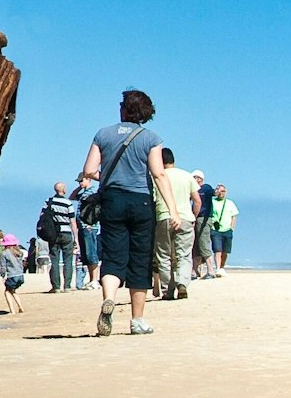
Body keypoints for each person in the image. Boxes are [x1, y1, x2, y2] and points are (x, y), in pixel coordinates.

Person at [78, 88, 181, 336]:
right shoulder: (151, 138)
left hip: (112, 199)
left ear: (123, 109)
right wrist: (173, 209)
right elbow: (158, 173)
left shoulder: (103, 134)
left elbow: (89, 170)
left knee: (113, 255)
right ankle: (137, 320)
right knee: (139, 258)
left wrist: (109, 178)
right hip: (141, 201)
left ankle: (109, 299)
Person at [152, 146, 201, 300]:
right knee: (184, 255)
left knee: (164, 255)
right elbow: (197, 201)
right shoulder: (186, 176)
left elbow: (152, 200)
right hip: (185, 217)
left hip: (163, 217)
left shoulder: (156, 177)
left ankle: (167, 290)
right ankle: (182, 283)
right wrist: (193, 216)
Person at [40, 182, 80, 291]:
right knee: (68, 260)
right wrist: (76, 237)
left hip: (53, 234)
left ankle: (56, 286)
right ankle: (67, 286)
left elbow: (42, 217)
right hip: (66, 233)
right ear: (64, 190)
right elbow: (73, 222)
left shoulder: (49, 201)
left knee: (54, 260)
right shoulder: (68, 203)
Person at [192, 170, 217, 280]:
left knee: (203, 243)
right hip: (194, 218)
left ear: (199, 178)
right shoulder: (193, 189)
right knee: (195, 244)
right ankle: (195, 271)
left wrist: (219, 190)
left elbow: (214, 193)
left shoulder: (206, 188)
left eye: (194, 177)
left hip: (203, 218)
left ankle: (211, 270)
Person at [211, 184, 239, 273]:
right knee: (217, 250)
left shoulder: (230, 203)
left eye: (223, 191)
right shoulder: (212, 201)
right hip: (215, 229)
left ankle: (222, 267)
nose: (221, 193)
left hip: (227, 230)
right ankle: (218, 268)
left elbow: (234, 216)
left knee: (225, 251)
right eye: (220, 191)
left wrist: (232, 228)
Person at [0, 234, 27, 313]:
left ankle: (12, 310)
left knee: (7, 292)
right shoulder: (19, 252)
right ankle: (20, 307)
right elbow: (21, 265)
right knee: (12, 291)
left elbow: (3, 266)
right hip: (20, 276)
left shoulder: (4, 253)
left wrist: (3, 275)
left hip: (12, 276)